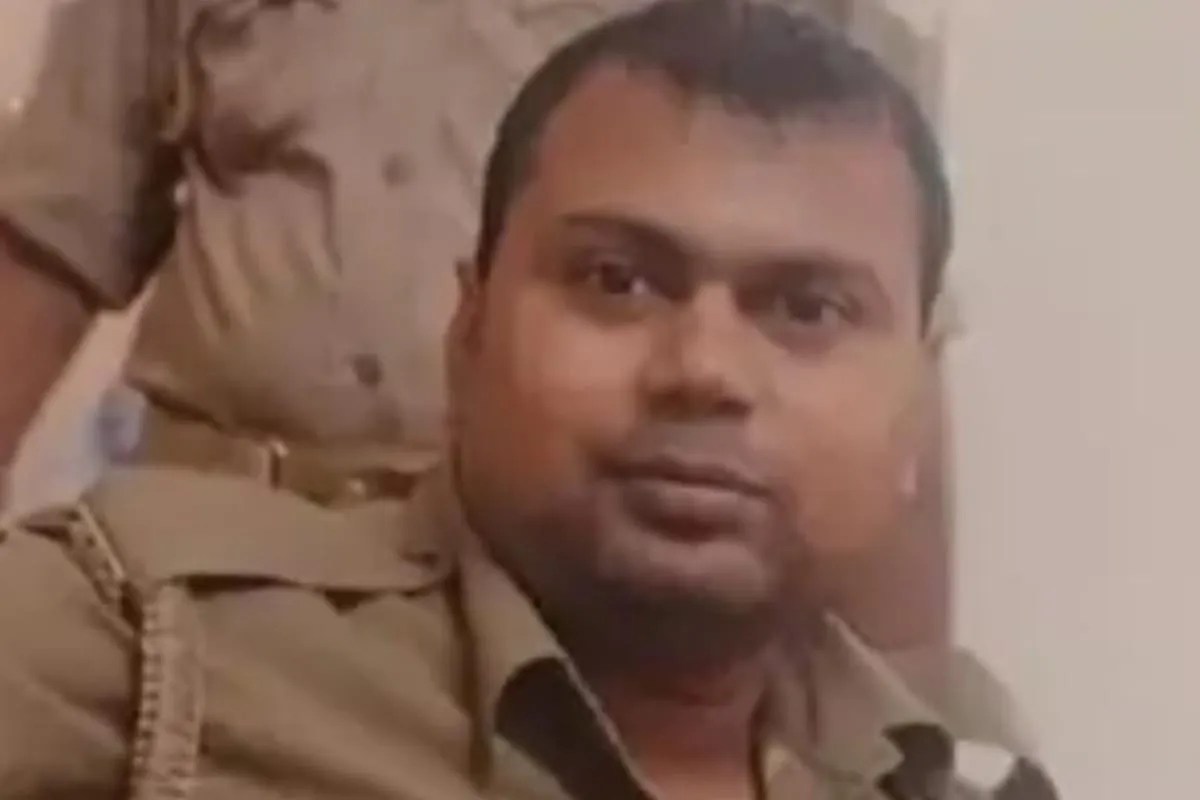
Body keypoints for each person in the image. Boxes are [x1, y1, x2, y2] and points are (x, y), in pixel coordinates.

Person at [0, 3, 1056, 799]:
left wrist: (900, 727)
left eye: (802, 308)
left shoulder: (947, 765)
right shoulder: (125, 647)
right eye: (618, 280)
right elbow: (50, 234)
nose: (707, 365)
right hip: (255, 563)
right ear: (467, 325)